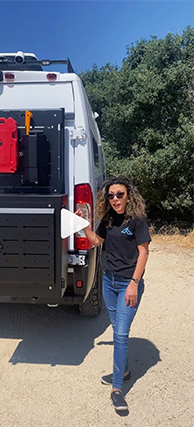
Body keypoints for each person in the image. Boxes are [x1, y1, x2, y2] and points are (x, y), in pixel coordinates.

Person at [76, 175, 151, 411]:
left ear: (129, 195)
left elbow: (144, 253)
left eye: (120, 194)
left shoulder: (137, 221)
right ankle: (125, 371)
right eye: (111, 196)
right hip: (108, 282)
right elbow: (96, 241)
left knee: (120, 334)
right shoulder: (107, 219)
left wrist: (133, 283)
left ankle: (117, 388)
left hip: (129, 284)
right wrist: (85, 227)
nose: (115, 199)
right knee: (117, 329)